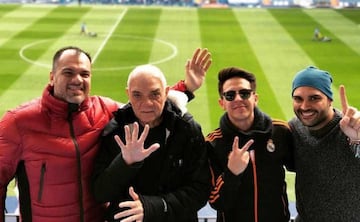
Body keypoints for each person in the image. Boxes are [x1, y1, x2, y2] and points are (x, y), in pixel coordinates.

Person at [0, 46, 212, 222]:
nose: (77, 79)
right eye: (68, 72)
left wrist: (186, 88)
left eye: (84, 74)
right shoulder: (18, 122)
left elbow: (146, 105)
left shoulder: (105, 110)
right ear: (52, 77)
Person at [91, 64, 211, 222]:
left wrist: (153, 207)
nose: (146, 103)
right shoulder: (115, 132)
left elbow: (200, 190)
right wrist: (125, 163)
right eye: (137, 95)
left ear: (166, 92)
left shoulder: (187, 130)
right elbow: (101, 193)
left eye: (155, 94)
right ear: (128, 94)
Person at [206, 67, 294, 222]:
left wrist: (350, 138)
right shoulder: (213, 143)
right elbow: (215, 201)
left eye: (244, 93)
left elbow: (306, 165)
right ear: (222, 103)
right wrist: (232, 172)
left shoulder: (280, 131)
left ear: (255, 98)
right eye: (230, 95)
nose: (238, 99)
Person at [289, 66, 360, 222]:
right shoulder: (294, 128)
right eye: (298, 98)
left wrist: (357, 139)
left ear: (329, 100)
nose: (305, 106)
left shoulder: (350, 128)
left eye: (314, 98)